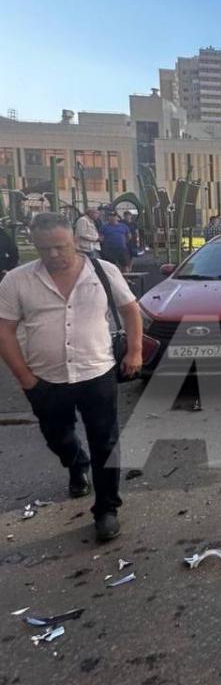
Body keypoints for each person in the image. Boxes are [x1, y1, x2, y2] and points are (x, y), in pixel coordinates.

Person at [0, 212, 143, 542]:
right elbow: (4, 330)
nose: (52, 255)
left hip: (97, 372)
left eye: (60, 247)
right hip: (45, 380)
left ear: (75, 242)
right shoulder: (17, 281)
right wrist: (24, 378)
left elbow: (131, 309)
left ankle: (107, 509)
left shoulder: (102, 272)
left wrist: (135, 352)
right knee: (57, 436)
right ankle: (76, 462)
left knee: (105, 442)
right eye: (44, 248)